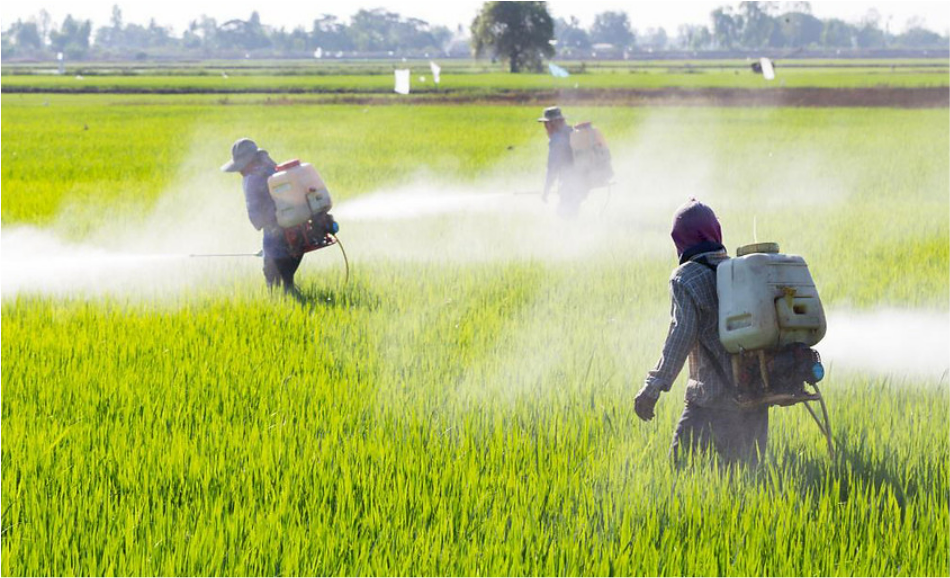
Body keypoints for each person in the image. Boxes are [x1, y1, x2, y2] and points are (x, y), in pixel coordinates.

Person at [634, 199, 769, 466]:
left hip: (711, 399)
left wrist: (653, 386)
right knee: (749, 479)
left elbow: (680, 335)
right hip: (756, 391)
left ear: (681, 240)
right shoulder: (740, 270)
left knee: (680, 472)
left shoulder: (685, 278)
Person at [221, 138, 303, 297]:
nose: (239, 171)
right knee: (286, 276)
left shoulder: (252, 179)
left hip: (277, 229)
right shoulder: (272, 168)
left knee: (274, 280)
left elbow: (257, 215)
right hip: (297, 227)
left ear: (248, 162)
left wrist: (270, 246)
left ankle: (282, 303)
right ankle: (290, 295)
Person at [538, 106, 589, 218]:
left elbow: (552, 169)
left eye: (546, 124)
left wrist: (546, 191)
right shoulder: (572, 132)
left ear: (551, 124)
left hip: (570, 186)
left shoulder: (556, 140)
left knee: (564, 216)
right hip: (583, 182)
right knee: (573, 213)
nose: (545, 127)